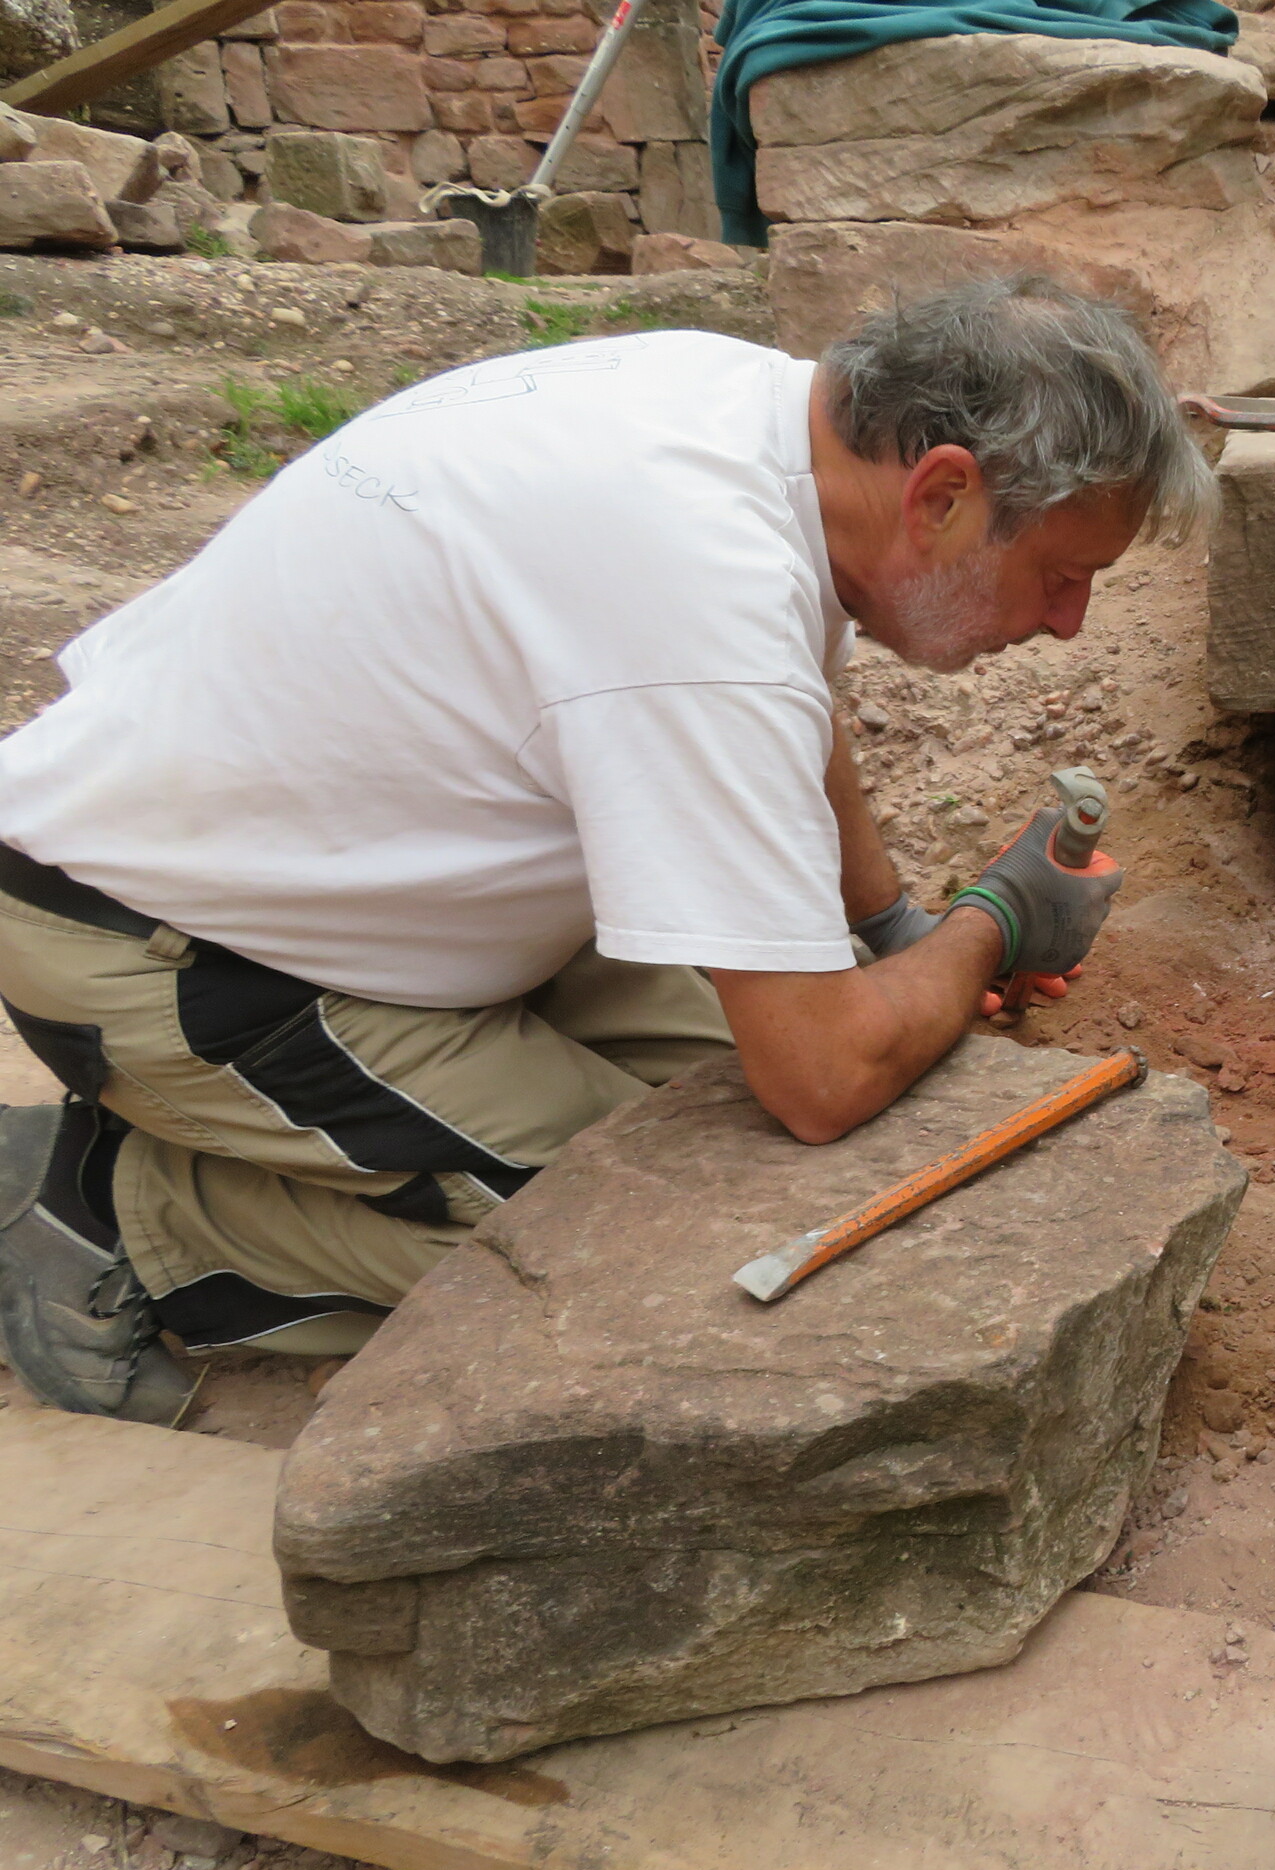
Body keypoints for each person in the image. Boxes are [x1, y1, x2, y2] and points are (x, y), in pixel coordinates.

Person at [0, 274, 1211, 1424]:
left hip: (376, 887)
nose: (1070, 623)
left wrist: (893, 931)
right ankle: (128, 1211)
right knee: (661, 1248)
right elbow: (823, 1076)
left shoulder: (762, 421)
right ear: (941, 495)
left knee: (753, 1128)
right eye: (1062, 575)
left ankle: (273, 1149)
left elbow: (793, 705)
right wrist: (993, 920)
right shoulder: (700, 582)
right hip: (168, 948)